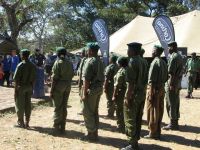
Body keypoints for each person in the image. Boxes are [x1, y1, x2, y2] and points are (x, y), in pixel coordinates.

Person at [122, 42, 147, 150]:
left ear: (133, 51)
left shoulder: (132, 61)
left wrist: (128, 98)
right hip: (142, 93)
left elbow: (131, 83)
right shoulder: (144, 61)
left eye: (128, 49)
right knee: (138, 117)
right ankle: (135, 141)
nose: (127, 52)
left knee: (130, 118)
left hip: (134, 94)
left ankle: (132, 144)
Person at [82, 42, 104, 141]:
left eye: (87, 50)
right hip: (99, 88)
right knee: (95, 111)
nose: (86, 51)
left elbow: (86, 79)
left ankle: (91, 134)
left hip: (92, 89)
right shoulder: (100, 61)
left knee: (87, 111)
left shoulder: (89, 61)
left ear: (90, 51)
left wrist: (84, 93)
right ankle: (95, 133)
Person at [144, 45, 168, 140]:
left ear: (156, 51)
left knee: (152, 111)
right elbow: (166, 77)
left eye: (153, 50)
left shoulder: (154, 63)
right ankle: (158, 130)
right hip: (161, 88)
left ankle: (153, 133)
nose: (152, 52)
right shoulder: (163, 62)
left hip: (154, 89)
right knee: (159, 110)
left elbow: (152, 80)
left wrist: (151, 93)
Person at [50, 47, 74, 134]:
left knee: (57, 107)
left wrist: (51, 90)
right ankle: (63, 127)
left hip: (59, 86)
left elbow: (54, 78)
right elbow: (72, 74)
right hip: (68, 85)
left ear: (58, 54)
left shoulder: (57, 62)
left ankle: (56, 127)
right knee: (64, 106)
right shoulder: (70, 63)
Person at [13, 49, 36, 128]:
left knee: (19, 105)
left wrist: (15, 91)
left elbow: (16, 79)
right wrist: (32, 88)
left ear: (22, 55)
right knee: (28, 104)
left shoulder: (20, 65)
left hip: (21, 87)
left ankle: (21, 122)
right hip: (29, 86)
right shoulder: (33, 65)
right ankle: (27, 121)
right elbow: (34, 79)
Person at [163, 41, 183, 130]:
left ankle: (172, 124)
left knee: (171, 103)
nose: (168, 49)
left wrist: (171, 84)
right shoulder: (178, 56)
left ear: (173, 47)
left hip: (172, 83)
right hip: (177, 83)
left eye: (169, 47)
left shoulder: (174, 57)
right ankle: (175, 122)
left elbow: (172, 73)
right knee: (175, 102)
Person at [112, 56, 128, 133]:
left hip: (121, 93)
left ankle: (120, 126)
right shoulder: (128, 70)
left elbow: (117, 85)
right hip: (126, 92)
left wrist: (114, 95)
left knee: (119, 110)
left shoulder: (121, 71)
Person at [77, 47, 88, 115]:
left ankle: (83, 110)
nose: (80, 54)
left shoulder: (84, 60)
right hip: (82, 81)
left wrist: (80, 82)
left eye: (81, 53)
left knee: (82, 95)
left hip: (83, 81)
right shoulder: (84, 59)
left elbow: (82, 72)